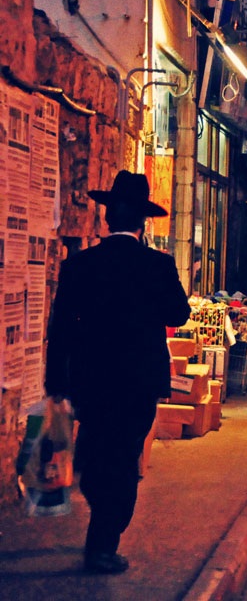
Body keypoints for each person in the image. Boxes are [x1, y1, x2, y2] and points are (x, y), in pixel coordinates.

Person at [44, 171, 192, 574]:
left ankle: (100, 527)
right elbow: (178, 313)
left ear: (108, 217)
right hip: (139, 382)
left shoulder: (81, 265)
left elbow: (60, 328)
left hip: (90, 381)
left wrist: (56, 381)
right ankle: (103, 543)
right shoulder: (158, 266)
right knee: (125, 459)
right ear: (141, 222)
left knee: (95, 453)